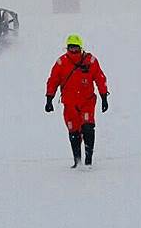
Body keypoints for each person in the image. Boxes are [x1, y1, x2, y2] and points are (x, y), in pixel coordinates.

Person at [45, 34, 109, 169]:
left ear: (81, 47)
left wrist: (104, 96)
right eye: (71, 47)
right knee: (73, 131)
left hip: (87, 102)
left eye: (76, 48)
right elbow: (53, 80)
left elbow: (100, 78)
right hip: (69, 104)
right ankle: (77, 161)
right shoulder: (61, 63)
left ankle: (88, 160)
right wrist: (49, 98)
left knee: (88, 128)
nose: (73, 50)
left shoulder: (90, 61)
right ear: (67, 48)